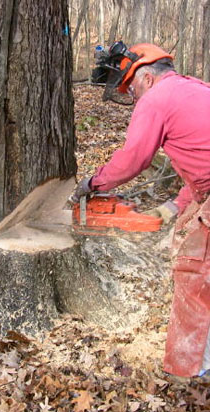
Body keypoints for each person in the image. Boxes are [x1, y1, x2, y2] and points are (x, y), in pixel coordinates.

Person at [72, 42, 210, 379]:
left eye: (131, 87)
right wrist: (173, 207)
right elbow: (201, 160)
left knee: (195, 276)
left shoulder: (156, 99)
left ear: (147, 77)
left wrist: (93, 184)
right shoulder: (197, 89)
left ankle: (192, 371)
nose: (132, 96)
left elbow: (135, 158)